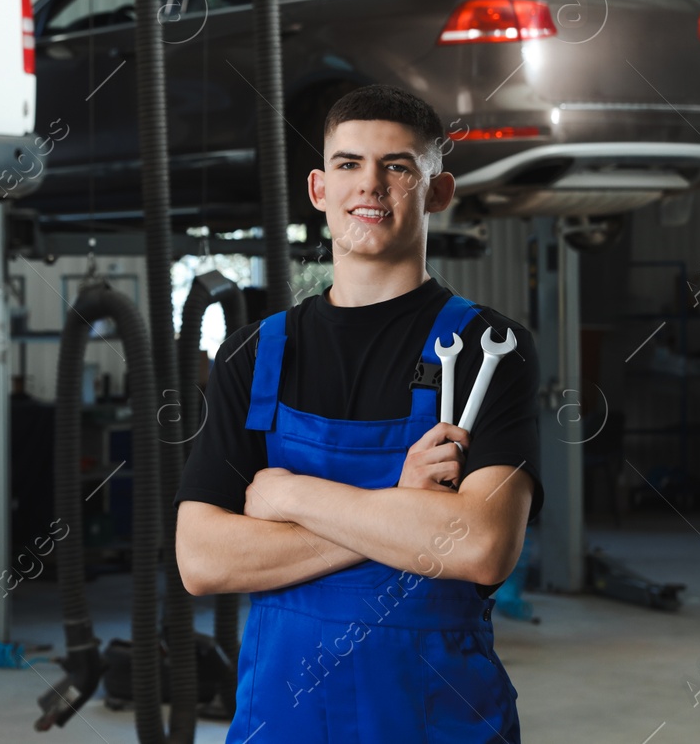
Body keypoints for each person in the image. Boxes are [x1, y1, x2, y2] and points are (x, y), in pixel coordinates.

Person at [175, 84, 541, 742]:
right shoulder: (253, 355)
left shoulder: (490, 351)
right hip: (281, 720)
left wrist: (287, 492)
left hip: (438, 719)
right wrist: (400, 509)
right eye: (348, 164)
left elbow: (482, 547)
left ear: (438, 190)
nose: (369, 185)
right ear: (319, 187)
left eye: (397, 166)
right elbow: (202, 559)